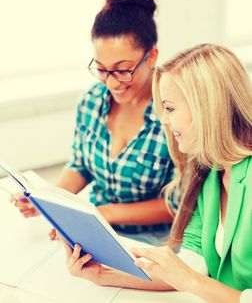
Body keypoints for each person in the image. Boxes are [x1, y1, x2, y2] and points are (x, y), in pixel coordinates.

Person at [60, 44, 252, 303]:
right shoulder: (210, 173)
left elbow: (189, 277)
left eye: (170, 108)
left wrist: (191, 281)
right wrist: (102, 273)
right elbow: (191, 265)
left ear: (206, 108)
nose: (163, 120)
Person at [11, 0, 179, 245]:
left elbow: (178, 203)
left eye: (123, 70)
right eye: (102, 69)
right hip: (99, 230)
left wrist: (103, 213)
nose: (112, 84)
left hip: (157, 241)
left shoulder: (175, 113)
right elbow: (81, 165)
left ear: (152, 56)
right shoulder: (91, 102)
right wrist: (49, 200)